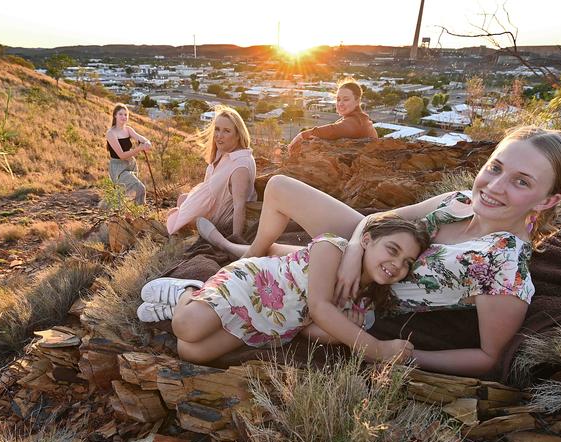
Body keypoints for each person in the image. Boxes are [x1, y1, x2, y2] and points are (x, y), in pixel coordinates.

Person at [196, 126, 561, 377]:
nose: (495, 186)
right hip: (366, 257)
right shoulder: (459, 201)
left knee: (209, 341)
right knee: (280, 186)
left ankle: (236, 249)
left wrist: (397, 356)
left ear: (548, 200)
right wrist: (351, 252)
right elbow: (379, 218)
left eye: (521, 182)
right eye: (495, 167)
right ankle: (242, 251)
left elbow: (489, 357)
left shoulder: (501, 261)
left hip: (374, 291)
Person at [137, 214, 430, 364]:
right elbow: (318, 307)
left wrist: (336, 330)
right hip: (251, 285)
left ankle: (189, 304)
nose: (396, 264)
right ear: (366, 240)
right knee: (187, 327)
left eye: (406, 263)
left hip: (266, 325)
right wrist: (376, 348)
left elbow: (311, 330)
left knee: (190, 351)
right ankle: (188, 290)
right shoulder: (332, 248)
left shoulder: (363, 307)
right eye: (392, 249)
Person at [165, 105, 257, 236]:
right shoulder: (223, 152)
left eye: (226, 131)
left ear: (238, 135)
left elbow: (239, 206)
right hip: (210, 208)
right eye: (217, 129)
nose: (219, 136)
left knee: (173, 214)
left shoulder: (240, 166)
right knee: (182, 199)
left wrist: (236, 238)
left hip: (218, 220)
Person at [287, 78, 378, 155]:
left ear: (357, 101)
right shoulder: (360, 118)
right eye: (338, 99)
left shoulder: (356, 121)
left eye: (346, 99)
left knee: (276, 177)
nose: (340, 104)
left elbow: (333, 130)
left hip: (354, 172)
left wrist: (300, 136)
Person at [106, 103, 152, 205]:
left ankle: (127, 215)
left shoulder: (128, 129)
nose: (124, 117)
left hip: (131, 165)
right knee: (140, 188)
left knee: (125, 194)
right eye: (121, 114)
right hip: (118, 168)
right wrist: (139, 148)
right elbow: (121, 155)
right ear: (115, 116)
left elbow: (141, 138)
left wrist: (147, 143)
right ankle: (140, 213)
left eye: (126, 114)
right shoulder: (111, 133)